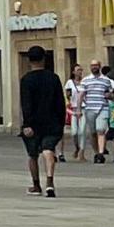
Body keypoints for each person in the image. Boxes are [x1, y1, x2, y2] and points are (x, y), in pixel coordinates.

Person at [20, 45, 68, 198]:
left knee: (33, 154)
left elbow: (25, 103)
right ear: (44, 59)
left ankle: (36, 185)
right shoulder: (53, 78)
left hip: (33, 124)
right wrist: (61, 123)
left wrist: (26, 124)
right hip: (52, 122)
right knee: (48, 150)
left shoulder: (26, 80)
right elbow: (60, 102)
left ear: (29, 60)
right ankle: (50, 182)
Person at [73, 61, 114, 162]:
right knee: (92, 132)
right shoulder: (86, 80)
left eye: (96, 65)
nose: (94, 67)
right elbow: (81, 95)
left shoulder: (106, 80)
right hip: (90, 108)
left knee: (101, 130)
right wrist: (78, 109)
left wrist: (110, 95)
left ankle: (100, 154)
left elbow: (111, 94)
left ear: (99, 67)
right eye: (92, 66)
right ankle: (96, 152)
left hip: (103, 108)